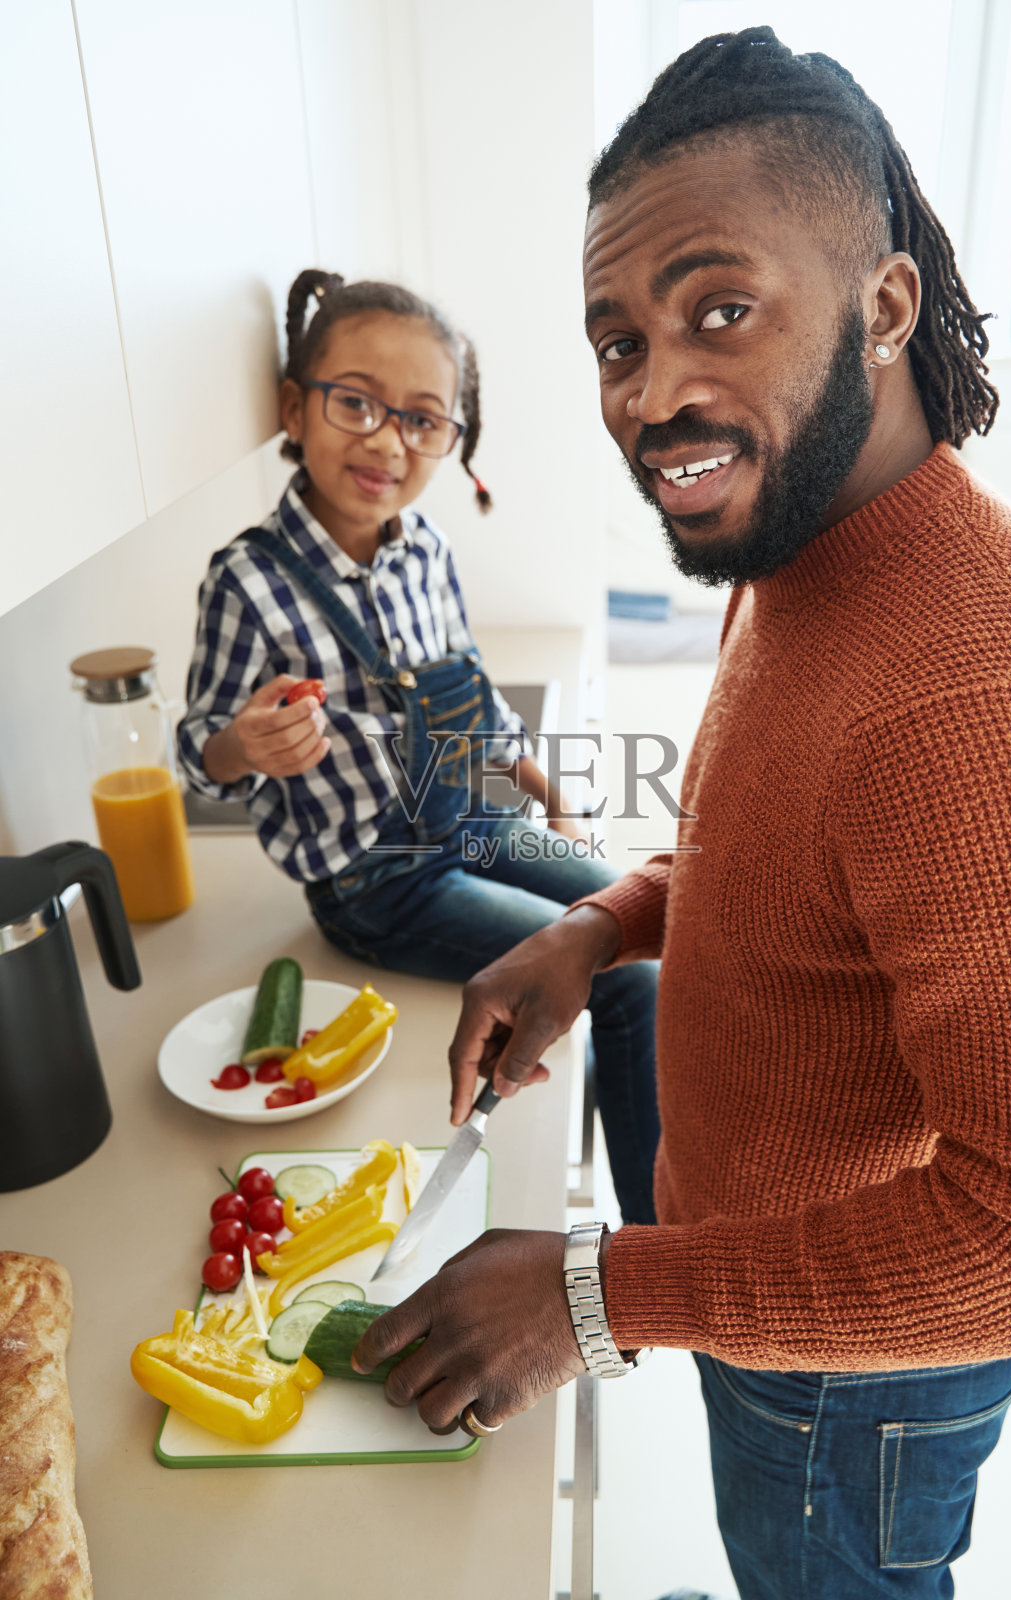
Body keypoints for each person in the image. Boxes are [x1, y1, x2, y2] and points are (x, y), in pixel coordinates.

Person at [350, 29, 1011, 1600]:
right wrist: (602, 925)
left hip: (850, 1379)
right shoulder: (800, 548)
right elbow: (768, 850)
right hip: (759, 1270)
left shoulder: (977, 698)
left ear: (881, 309)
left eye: (718, 311)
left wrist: (594, 1297)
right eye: (616, 340)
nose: (652, 393)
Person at [177, 270, 659, 1226]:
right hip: (380, 886)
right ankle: (654, 1239)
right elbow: (196, 756)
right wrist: (244, 742)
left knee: (635, 918)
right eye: (355, 402)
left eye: (423, 419)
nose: (387, 439)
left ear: (449, 440)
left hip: (470, 821)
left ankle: (657, 1187)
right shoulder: (246, 581)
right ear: (294, 408)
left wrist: (539, 782)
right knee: (627, 977)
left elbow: (468, 687)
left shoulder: (425, 551)